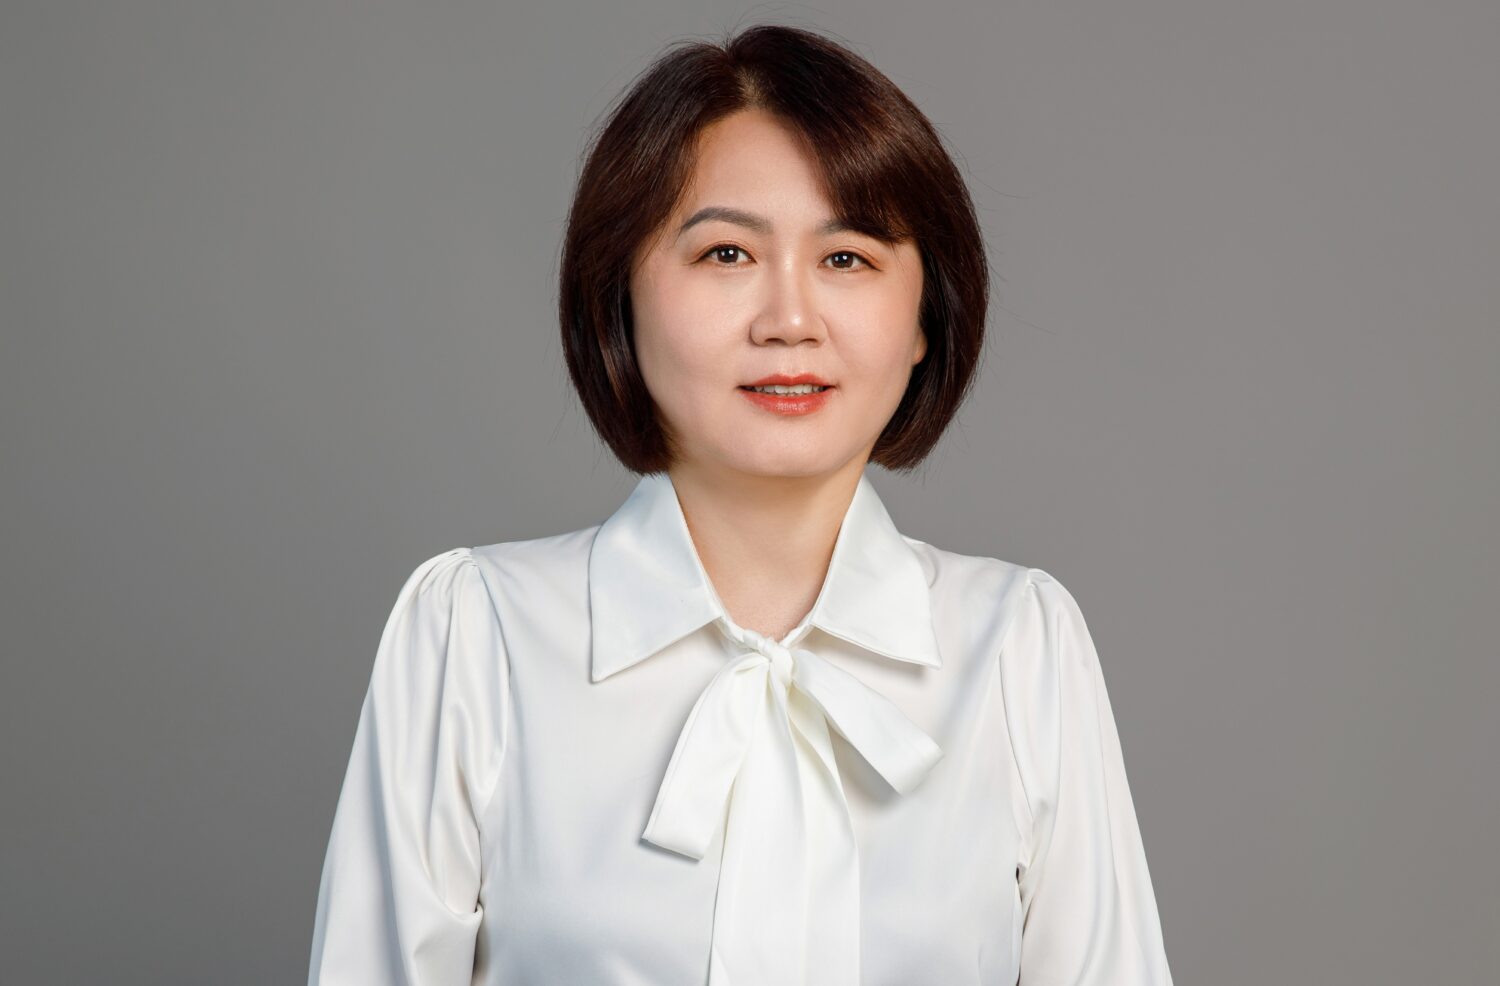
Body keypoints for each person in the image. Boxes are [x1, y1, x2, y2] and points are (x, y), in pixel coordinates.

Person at [307, 23, 1174, 986]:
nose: (790, 320)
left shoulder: (1021, 649)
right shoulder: (475, 635)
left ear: (926, 318)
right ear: (620, 300)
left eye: (848, 258)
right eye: (726, 255)